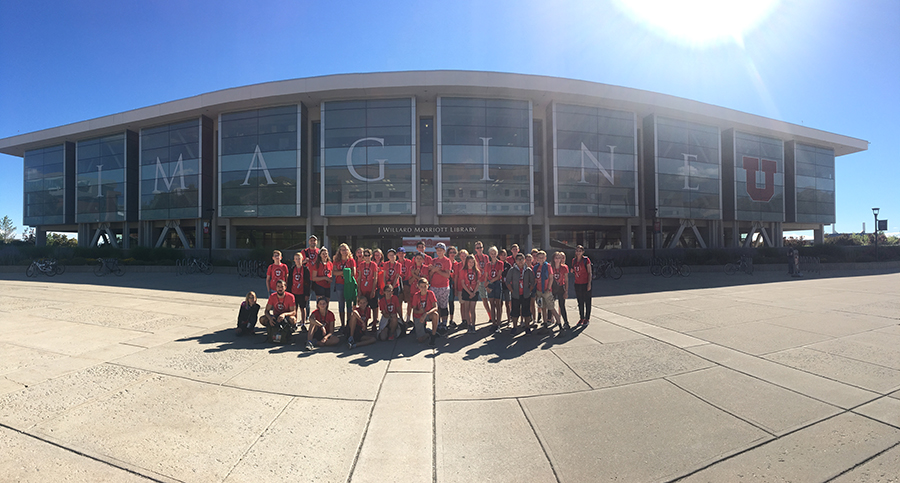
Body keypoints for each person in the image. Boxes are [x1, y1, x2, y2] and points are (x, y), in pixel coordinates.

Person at [505, 252, 535, 334]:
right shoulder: (512, 270)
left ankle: (527, 327)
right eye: (518, 260)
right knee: (515, 312)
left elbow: (532, 282)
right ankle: (514, 327)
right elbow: (507, 281)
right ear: (516, 261)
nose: (520, 261)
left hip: (525, 294)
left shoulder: (528, 270)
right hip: (516, 294)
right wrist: (512, 290)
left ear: (524, 260)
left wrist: (529, 290)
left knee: (526, 312)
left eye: (522, 259)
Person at [406, 277, 440, 346]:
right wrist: (419, 312)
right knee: (420, 340)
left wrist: (426, 313)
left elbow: (435, 307)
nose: (423, 288)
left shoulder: (430, 293)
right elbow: (414, 310)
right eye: (421, 286)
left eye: (425, 286)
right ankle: (427, 334)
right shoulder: (416, 295)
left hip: (427, 314)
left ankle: (433, 335)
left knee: (435, 315)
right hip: (419, 316)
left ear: (428, 286)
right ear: (418, 286)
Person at [429, 242, 453, 334]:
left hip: (443, 287)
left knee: (443, 306)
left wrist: (437, 271)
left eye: (440, 250)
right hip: (434, 286)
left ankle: (444, 323)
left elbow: (447, 275)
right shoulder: (433, 260)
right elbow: (430, 274)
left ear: (444, 251)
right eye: (437, 250)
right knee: (436, 306)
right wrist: (433, 270)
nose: (439, 252)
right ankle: (437, 323)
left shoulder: (447, 261)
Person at [533, 251, 559, 334]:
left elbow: (551, 278)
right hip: (539, 290)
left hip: (546, 291)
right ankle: (545, 325)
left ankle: (560, 325)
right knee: (543, 307)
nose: (541, 259)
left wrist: (548, 288)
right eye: (539, 257)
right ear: (537, 259)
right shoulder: (536, 267)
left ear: (545, 258)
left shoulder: (547, 266)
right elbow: (535, 280)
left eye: (542, 257)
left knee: (551, 308)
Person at [332, 243, 357, 328]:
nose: (344, 251)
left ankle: (349, 324)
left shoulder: (351, 260)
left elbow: (353, 273)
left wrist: (341, 273)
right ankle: (342, 324)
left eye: (346, 249)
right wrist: (345, 272)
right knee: (341, 305)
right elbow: (334, 272)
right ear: (339, 251)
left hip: (348, 284)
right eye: (342, 249)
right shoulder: (336, 260)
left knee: (349, 305)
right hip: (339, 284)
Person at [457, 254, 480, 334]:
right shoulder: (463, 271)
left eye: (472, 262)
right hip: (466, 291)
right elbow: (463, 283)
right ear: (466, 262)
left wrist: (473, 293)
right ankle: (468, 324)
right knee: (466, 309)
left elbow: (478, 283)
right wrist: (469, 292)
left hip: (474, 291)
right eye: (469, 262)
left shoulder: (477, 272)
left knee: (472, 309)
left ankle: (473, 325)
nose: (471, 263)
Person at [485, 246, 505, 333]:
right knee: (492, 304)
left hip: (497, 284)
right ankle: (493, 323)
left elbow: (498, 276)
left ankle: (498, 324)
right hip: (490, 284)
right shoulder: (487, 265)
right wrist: (486, 286)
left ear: (497, 254)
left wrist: (489, 281)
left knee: (498, 304)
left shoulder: (500, 263)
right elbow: (486, 276)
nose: (493, 255)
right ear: (489, 254)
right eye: (491, 253)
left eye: (494, 253)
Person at [571, 245, 592, 326]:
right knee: (580, 301)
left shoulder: (586, 260)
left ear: (583, 252)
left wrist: (589, 283)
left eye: (580, 251)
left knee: (587, 301)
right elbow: (575, 270)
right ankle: (581, 317)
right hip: (577, 283)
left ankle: (587, 318)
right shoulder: (574, 260)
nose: (578, 252)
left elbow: (589, 272)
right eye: (577, 251)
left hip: (585, 282)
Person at [357, 249, 379, 322]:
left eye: (368, 255)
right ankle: (364, 322)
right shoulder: (361, 265)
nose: (367, 257)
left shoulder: (373, 264)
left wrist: (373, 290)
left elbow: (375, 278)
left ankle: (374, 322)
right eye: (365, 255)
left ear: (371, 256)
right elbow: (359, 277)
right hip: (363, 289)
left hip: (371, 289)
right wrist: (359, 289)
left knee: (374, 307)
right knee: (364, 307)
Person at [551, 251, 571, 331]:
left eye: (559, 258)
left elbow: (566, 280)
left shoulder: (564, 267)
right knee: (551, 304)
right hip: (553, 287)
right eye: (556, 257)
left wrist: (566, 291)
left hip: (561, 287)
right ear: (553, 259)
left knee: (562, 305)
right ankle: (550, 319)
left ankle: (566, 322)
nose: (558, 259)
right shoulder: (551, 267)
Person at [472, 241, 492, 321]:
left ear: (483, 248)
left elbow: (488, 268)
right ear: (475, 249)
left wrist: (487, 280)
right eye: (477, 248)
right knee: (483, 299)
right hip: (478, 281)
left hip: (486, 280)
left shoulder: (486, 257)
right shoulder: (474, 257)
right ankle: (490, 315)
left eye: (480, 247)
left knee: (490, 298)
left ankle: (492, 315)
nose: (479, 249)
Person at [289, 252, 310, 322]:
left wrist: (307, 294)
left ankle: (303, 323)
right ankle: (294, 322)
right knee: (294, 308)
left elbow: (308, 283)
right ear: (294, 260)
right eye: (296, 259)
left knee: (302, 308)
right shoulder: (292, 269)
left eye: (299, 259)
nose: (298, 260)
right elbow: (289, 281)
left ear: (302, 259)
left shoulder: (305, 269)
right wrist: (289, 292)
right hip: (293, 292)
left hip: (302, 292)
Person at [446, 246, 459, 329]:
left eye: (454, 252)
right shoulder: (446, 262)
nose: (452, 254)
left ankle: (451, 319)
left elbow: (457, 276)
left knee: (451, 302)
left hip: (452, 284)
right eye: (451, 252)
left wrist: (457, 288)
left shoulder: (456, 264)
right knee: (443, 304)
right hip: (444, 284)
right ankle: (443, 321)